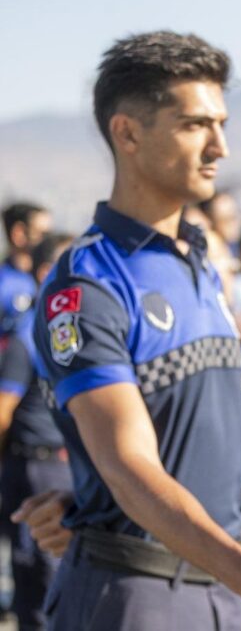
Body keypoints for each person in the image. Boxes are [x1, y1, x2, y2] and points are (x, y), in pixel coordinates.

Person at [27, 31, 241, 629]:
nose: (220, 146)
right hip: (142, 594)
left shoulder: (198, 263)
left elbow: (206, 435)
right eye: (195, 125)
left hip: (220, 586)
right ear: (128, 133)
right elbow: (127, 462)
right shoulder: (88, 284)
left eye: (221, 124)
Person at [0, 233, 73, 630]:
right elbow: (4, 410)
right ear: (47, 273)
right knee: (40, 580)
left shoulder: (78, 329)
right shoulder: (28, 336)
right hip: (36, 467)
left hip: (66, 466)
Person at [0, 203, 51, 334]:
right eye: (43, 234)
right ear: (19, 234)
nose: (50, 241)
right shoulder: (4, 284)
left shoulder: (50, 278)